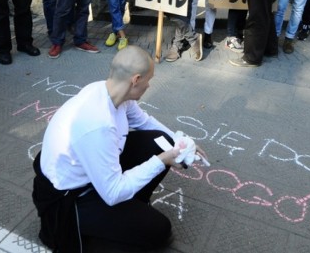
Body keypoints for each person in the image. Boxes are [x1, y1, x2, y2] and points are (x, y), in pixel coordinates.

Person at [32, 45, 206, 251]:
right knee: (159, 231)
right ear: (136, 80)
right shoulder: (99, 126)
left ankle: (131, 209)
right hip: (73, 197)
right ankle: (95, 234)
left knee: (161, 140)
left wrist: (179, 142)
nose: (149, 86)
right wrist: (160, 161)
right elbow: (112, 192)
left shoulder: (110, 91)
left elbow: (145, 122)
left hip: (91, 174)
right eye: (149, 80)